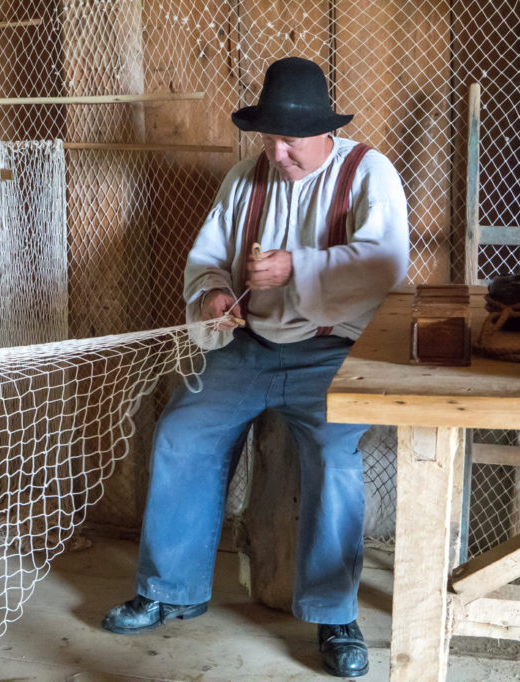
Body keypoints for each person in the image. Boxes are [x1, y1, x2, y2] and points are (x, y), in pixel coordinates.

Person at [100, 57, 409, 678]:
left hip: (332, 350)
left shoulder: (368, 171)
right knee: (183, 433)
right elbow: (208, 258)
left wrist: (297, 268)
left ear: (324, 132)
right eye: (268, 138)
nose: (277, 152)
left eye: (290, 140)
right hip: (251, 346)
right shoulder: (246, 178)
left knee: (334, 458)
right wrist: (214, 296)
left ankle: (334, 614)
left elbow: (385, 263)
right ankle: (169, 590)